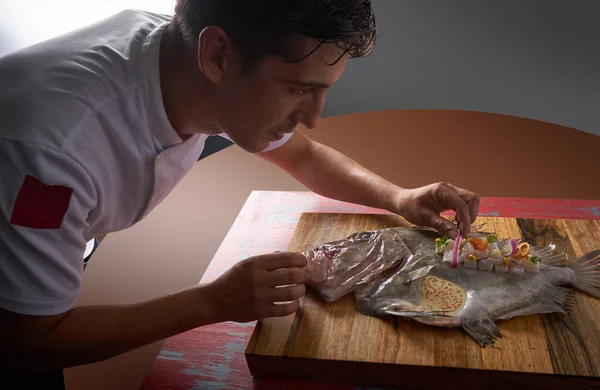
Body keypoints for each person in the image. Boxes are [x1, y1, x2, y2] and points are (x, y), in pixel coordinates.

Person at [0, 0, 479, 386]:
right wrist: (213, 302)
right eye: (297, 89)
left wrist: (398, 197)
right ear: (218, 57)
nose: (313, 116)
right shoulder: (51, 154)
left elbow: (303, 155)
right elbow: (28, 341)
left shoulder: (185, 62)